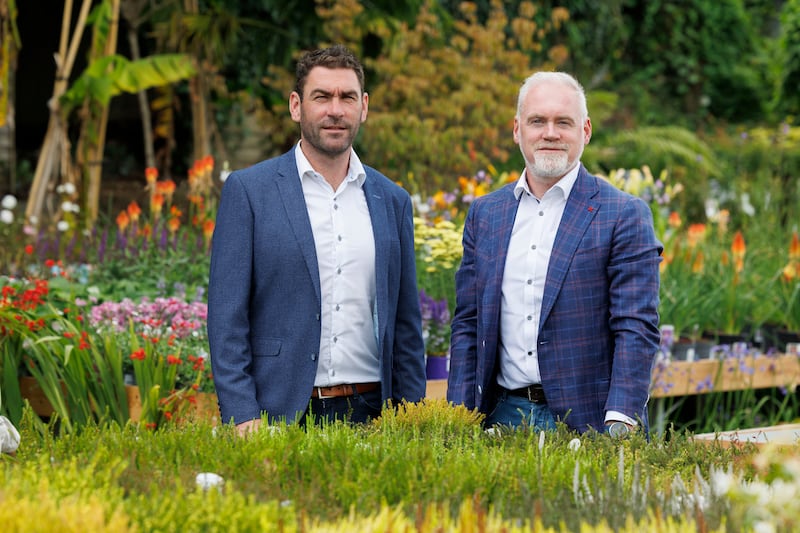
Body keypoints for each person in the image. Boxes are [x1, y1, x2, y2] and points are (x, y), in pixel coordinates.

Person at [207, 45, 426, 434]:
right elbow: (227, 319)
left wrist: (412, 420)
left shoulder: (392, 201)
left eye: (347, 97)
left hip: (372, 414)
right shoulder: (250, 192)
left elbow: (406, 326)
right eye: (321, 97)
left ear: (364, 107)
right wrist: (242, 414)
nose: (335, 110)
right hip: (278, 413)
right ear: (296, 106)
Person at [446, 71, 662, 436]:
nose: (550, 133)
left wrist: (620, 421)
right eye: (537, 121)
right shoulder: (486, 215)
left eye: (564, 122)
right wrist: (460, 417)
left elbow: (635, 326)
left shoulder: (622, 214)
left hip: (590, 423)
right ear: (518, 130)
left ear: (586, 131)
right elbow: (468, 324)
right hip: (500, 417)